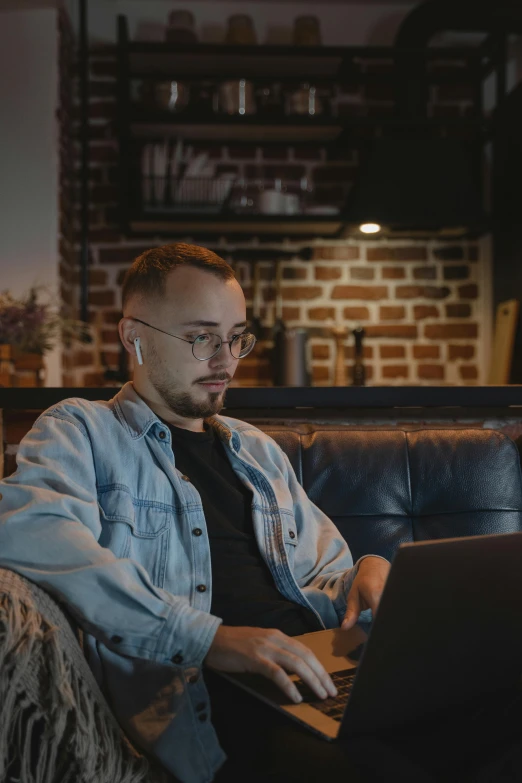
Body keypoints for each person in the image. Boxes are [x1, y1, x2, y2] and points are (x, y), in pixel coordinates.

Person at [0, 243, 391, 783]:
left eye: (236, 337)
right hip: (217, 703)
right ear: (133, 336)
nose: (226, 360)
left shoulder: (255, 449)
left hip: (323, 676)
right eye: (202, 337)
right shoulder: (81, 430)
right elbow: (32, 530)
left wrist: (363, 573)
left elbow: (319, 575)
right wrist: (206, 639)